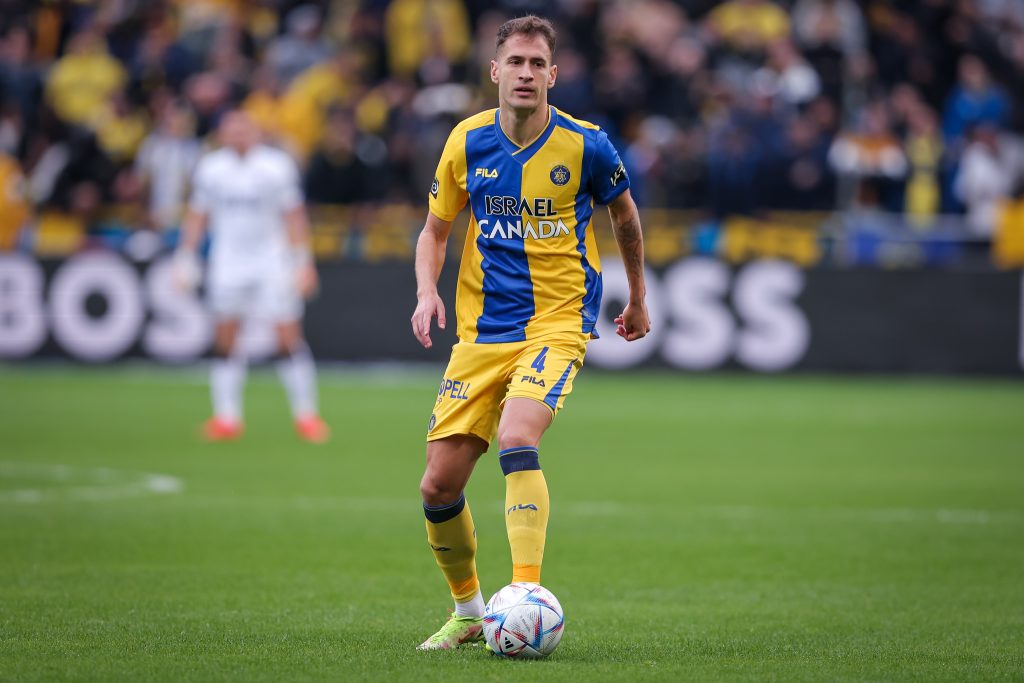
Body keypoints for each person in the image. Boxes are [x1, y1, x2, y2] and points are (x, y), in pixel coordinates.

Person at [410, 15, 650, 650]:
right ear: (495, 71)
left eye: (536, 64)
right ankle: (469, 611)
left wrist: (638, 298)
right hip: (482, 332)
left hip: (557, 321)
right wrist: (426, 291)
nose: (525, 73)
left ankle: (525, 596)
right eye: (515, 62)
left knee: (518, 436)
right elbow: (434, 231)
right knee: (438, 484)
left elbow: (625, 217)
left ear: (553, 74)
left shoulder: (587, 145)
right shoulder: (466, 142)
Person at [173, 110, 330, 443]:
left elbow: (294, 216)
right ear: (222, 134)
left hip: (272, 261)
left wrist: (302, 261)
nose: (238, 135)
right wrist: (185, 257)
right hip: (227, 262)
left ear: (256, 133)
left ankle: (307, 415)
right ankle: (226, 417)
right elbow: (198, 215)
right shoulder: (211, 168)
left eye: (243, 130)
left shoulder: (276, 166)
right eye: (232, 130)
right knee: (225, 339)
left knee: (287, 338)